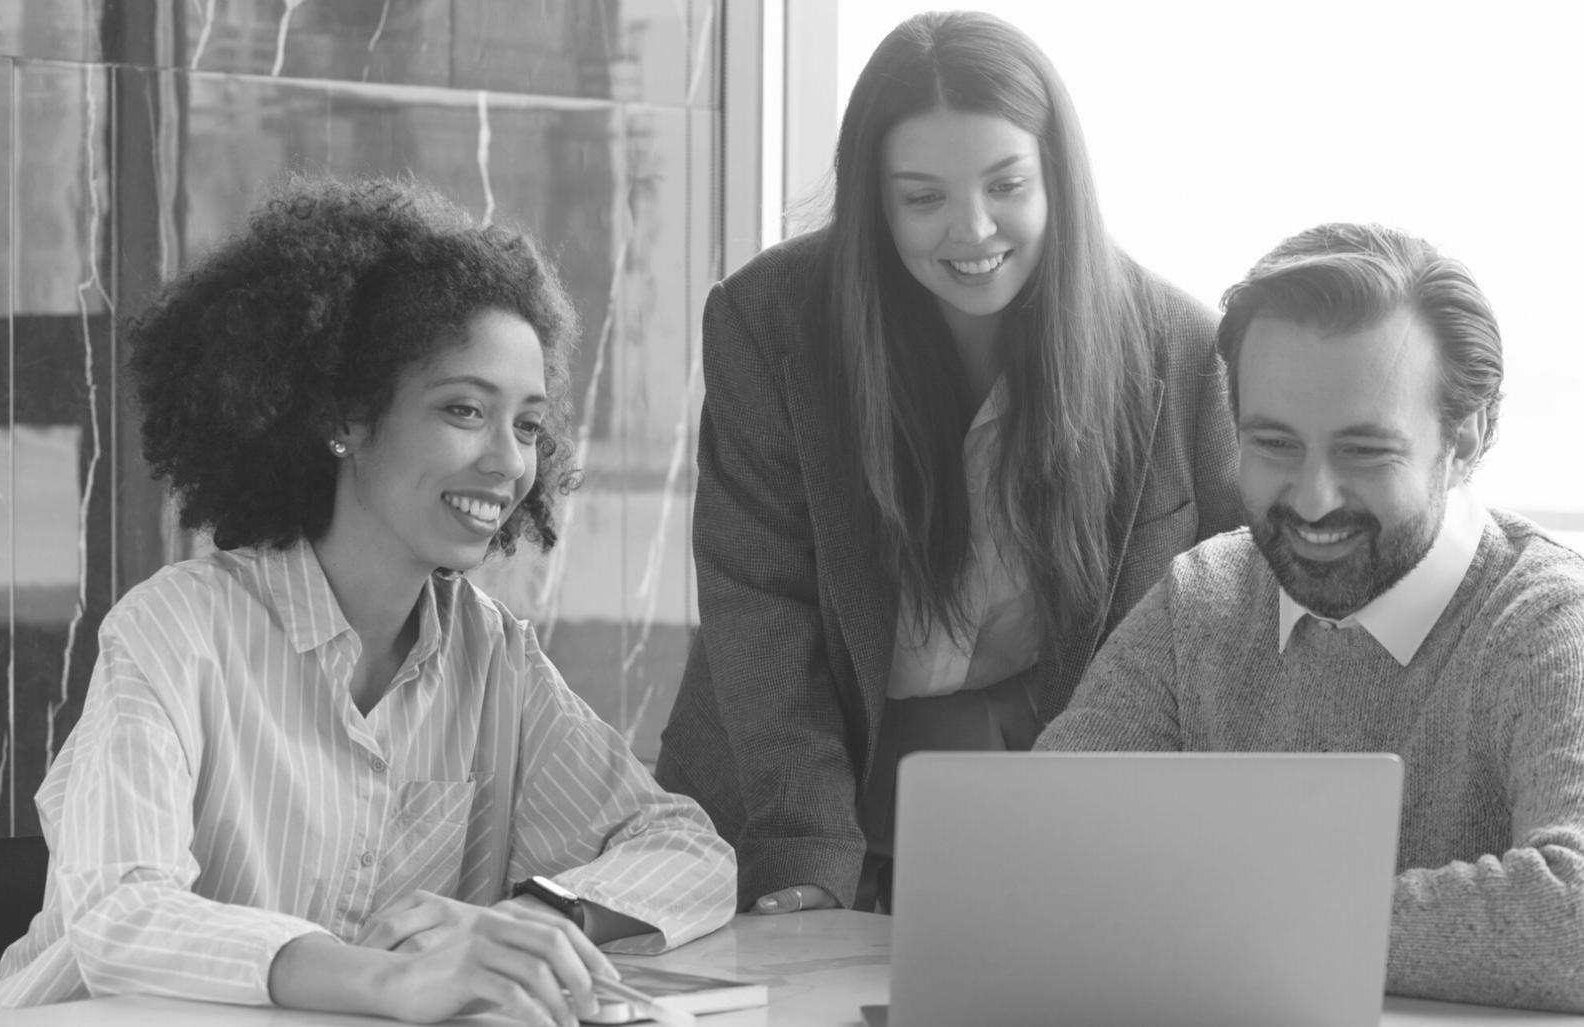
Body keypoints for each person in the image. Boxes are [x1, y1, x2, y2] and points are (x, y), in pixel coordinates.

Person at [0, 177, 736, 1022]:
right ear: (346, 415)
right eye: (464, 409)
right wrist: (388, 976)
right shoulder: (177, 629)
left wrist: (539, 918)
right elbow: (116, 914)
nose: (507, 462)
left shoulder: (495, 660)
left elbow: (687, 849)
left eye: (527, 425)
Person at [656, 10, 1240, 915]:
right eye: (921, 197)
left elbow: (1215, 628)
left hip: (1053, 826)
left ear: (1058, 176)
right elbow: (758, 599)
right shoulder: (768, 320)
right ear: (873, 199)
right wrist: (803, 856)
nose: (972, 231)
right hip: (783, 801)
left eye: (1007, 184)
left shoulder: (1181, 349)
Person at [1035, 221, 1584, 1012]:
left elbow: (1571, 919)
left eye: (1365, 451)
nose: (1314, 499)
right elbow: (1031, 851)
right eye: (1275, 444)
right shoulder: (1205, 598)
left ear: (1467, 439)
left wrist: (1226, 917)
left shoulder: (1546, 625)